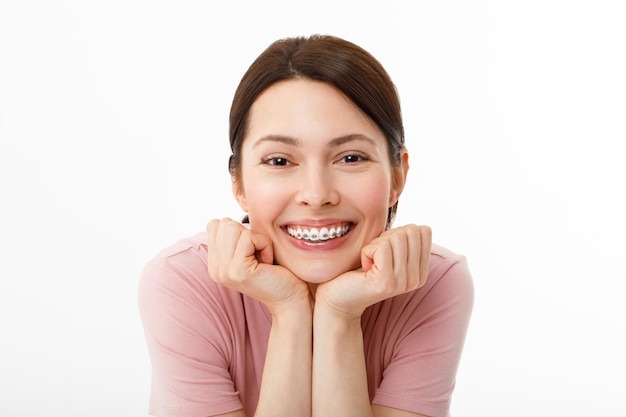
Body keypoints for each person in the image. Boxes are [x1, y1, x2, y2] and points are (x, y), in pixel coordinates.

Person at [138, 34, 474, 417]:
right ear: (239, 184)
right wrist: (289, 312)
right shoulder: (183, 284)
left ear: (398, 176)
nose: (316, 194)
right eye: (280, 161)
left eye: (350, 157)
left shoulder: (431, 284)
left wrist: (338, 316)